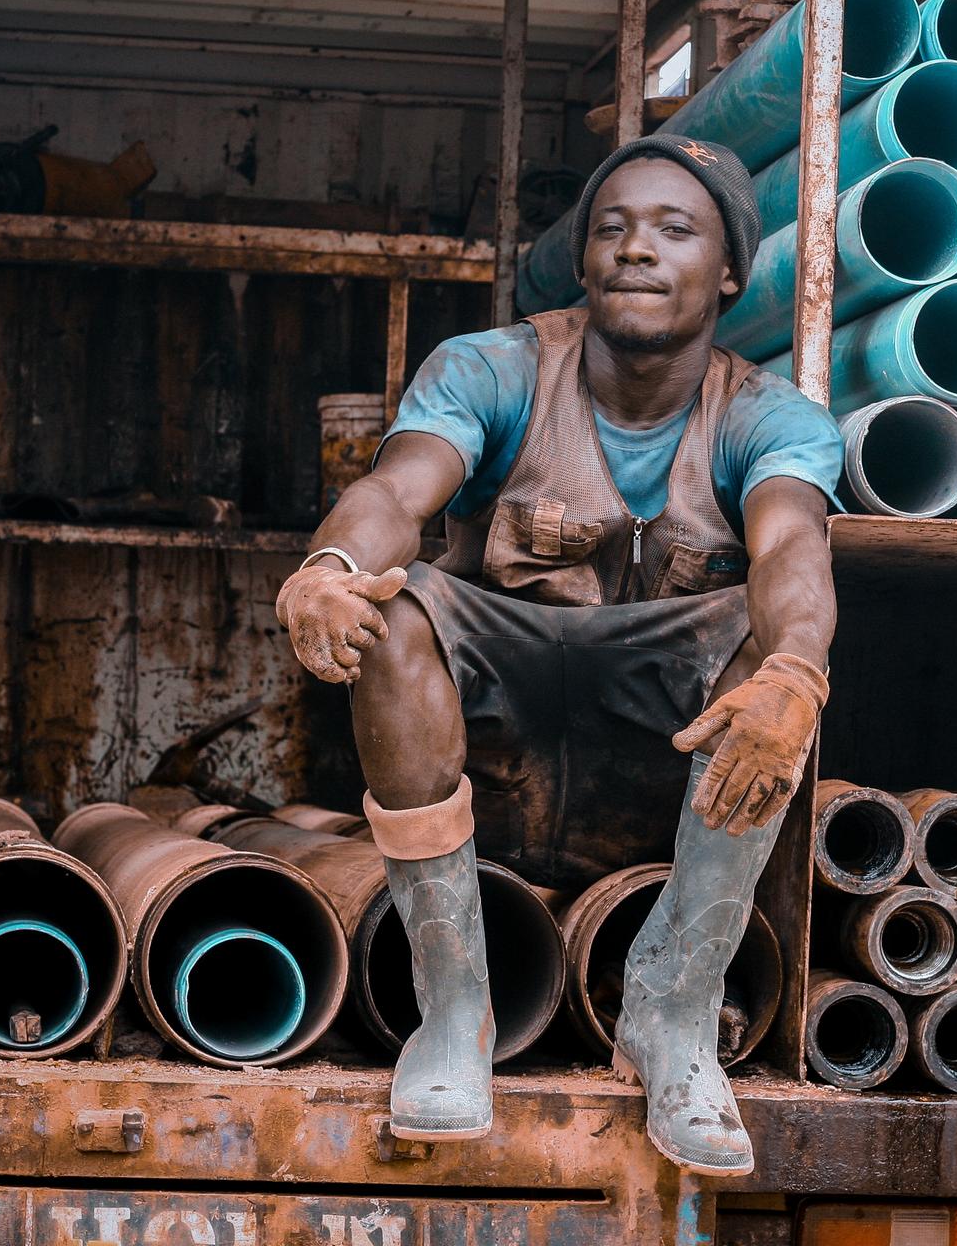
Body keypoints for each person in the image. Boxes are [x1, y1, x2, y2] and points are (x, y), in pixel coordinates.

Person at [274, 135, 840, 1177]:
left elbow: (792, 545)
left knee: (777, 654)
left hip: (657, 754)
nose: (636, 249)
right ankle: (455, 1010)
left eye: (674, 230)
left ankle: (673, 1007)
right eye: (613, 228)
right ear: (582, 260)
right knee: (396, 611)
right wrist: (331, 564)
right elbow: (399, 491)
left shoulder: (768, 417)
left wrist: (797, 671)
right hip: (496, 744)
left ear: (726, 273)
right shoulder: (493, 368)